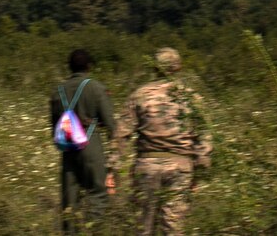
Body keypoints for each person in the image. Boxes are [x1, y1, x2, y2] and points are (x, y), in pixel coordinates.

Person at [116, 47, 211, 236]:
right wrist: (200, 172)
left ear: (155, 67)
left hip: (147, 166)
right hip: (181, 167)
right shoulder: (191, 98)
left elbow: (122, 133)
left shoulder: (140, 95)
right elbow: (204, 139)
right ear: (178, 68)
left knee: (143, 226)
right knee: (173, 227)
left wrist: (113, 167)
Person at [51, 48, 115, 232]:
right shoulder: (96, 88)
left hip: (68, 147)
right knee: (98, 192)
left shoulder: (58, 91)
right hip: (91, 144)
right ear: (89, 66)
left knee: (69, 199)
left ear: (69, 67)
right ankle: (93, 230)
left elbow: (55, 125)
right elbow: (110, 124)